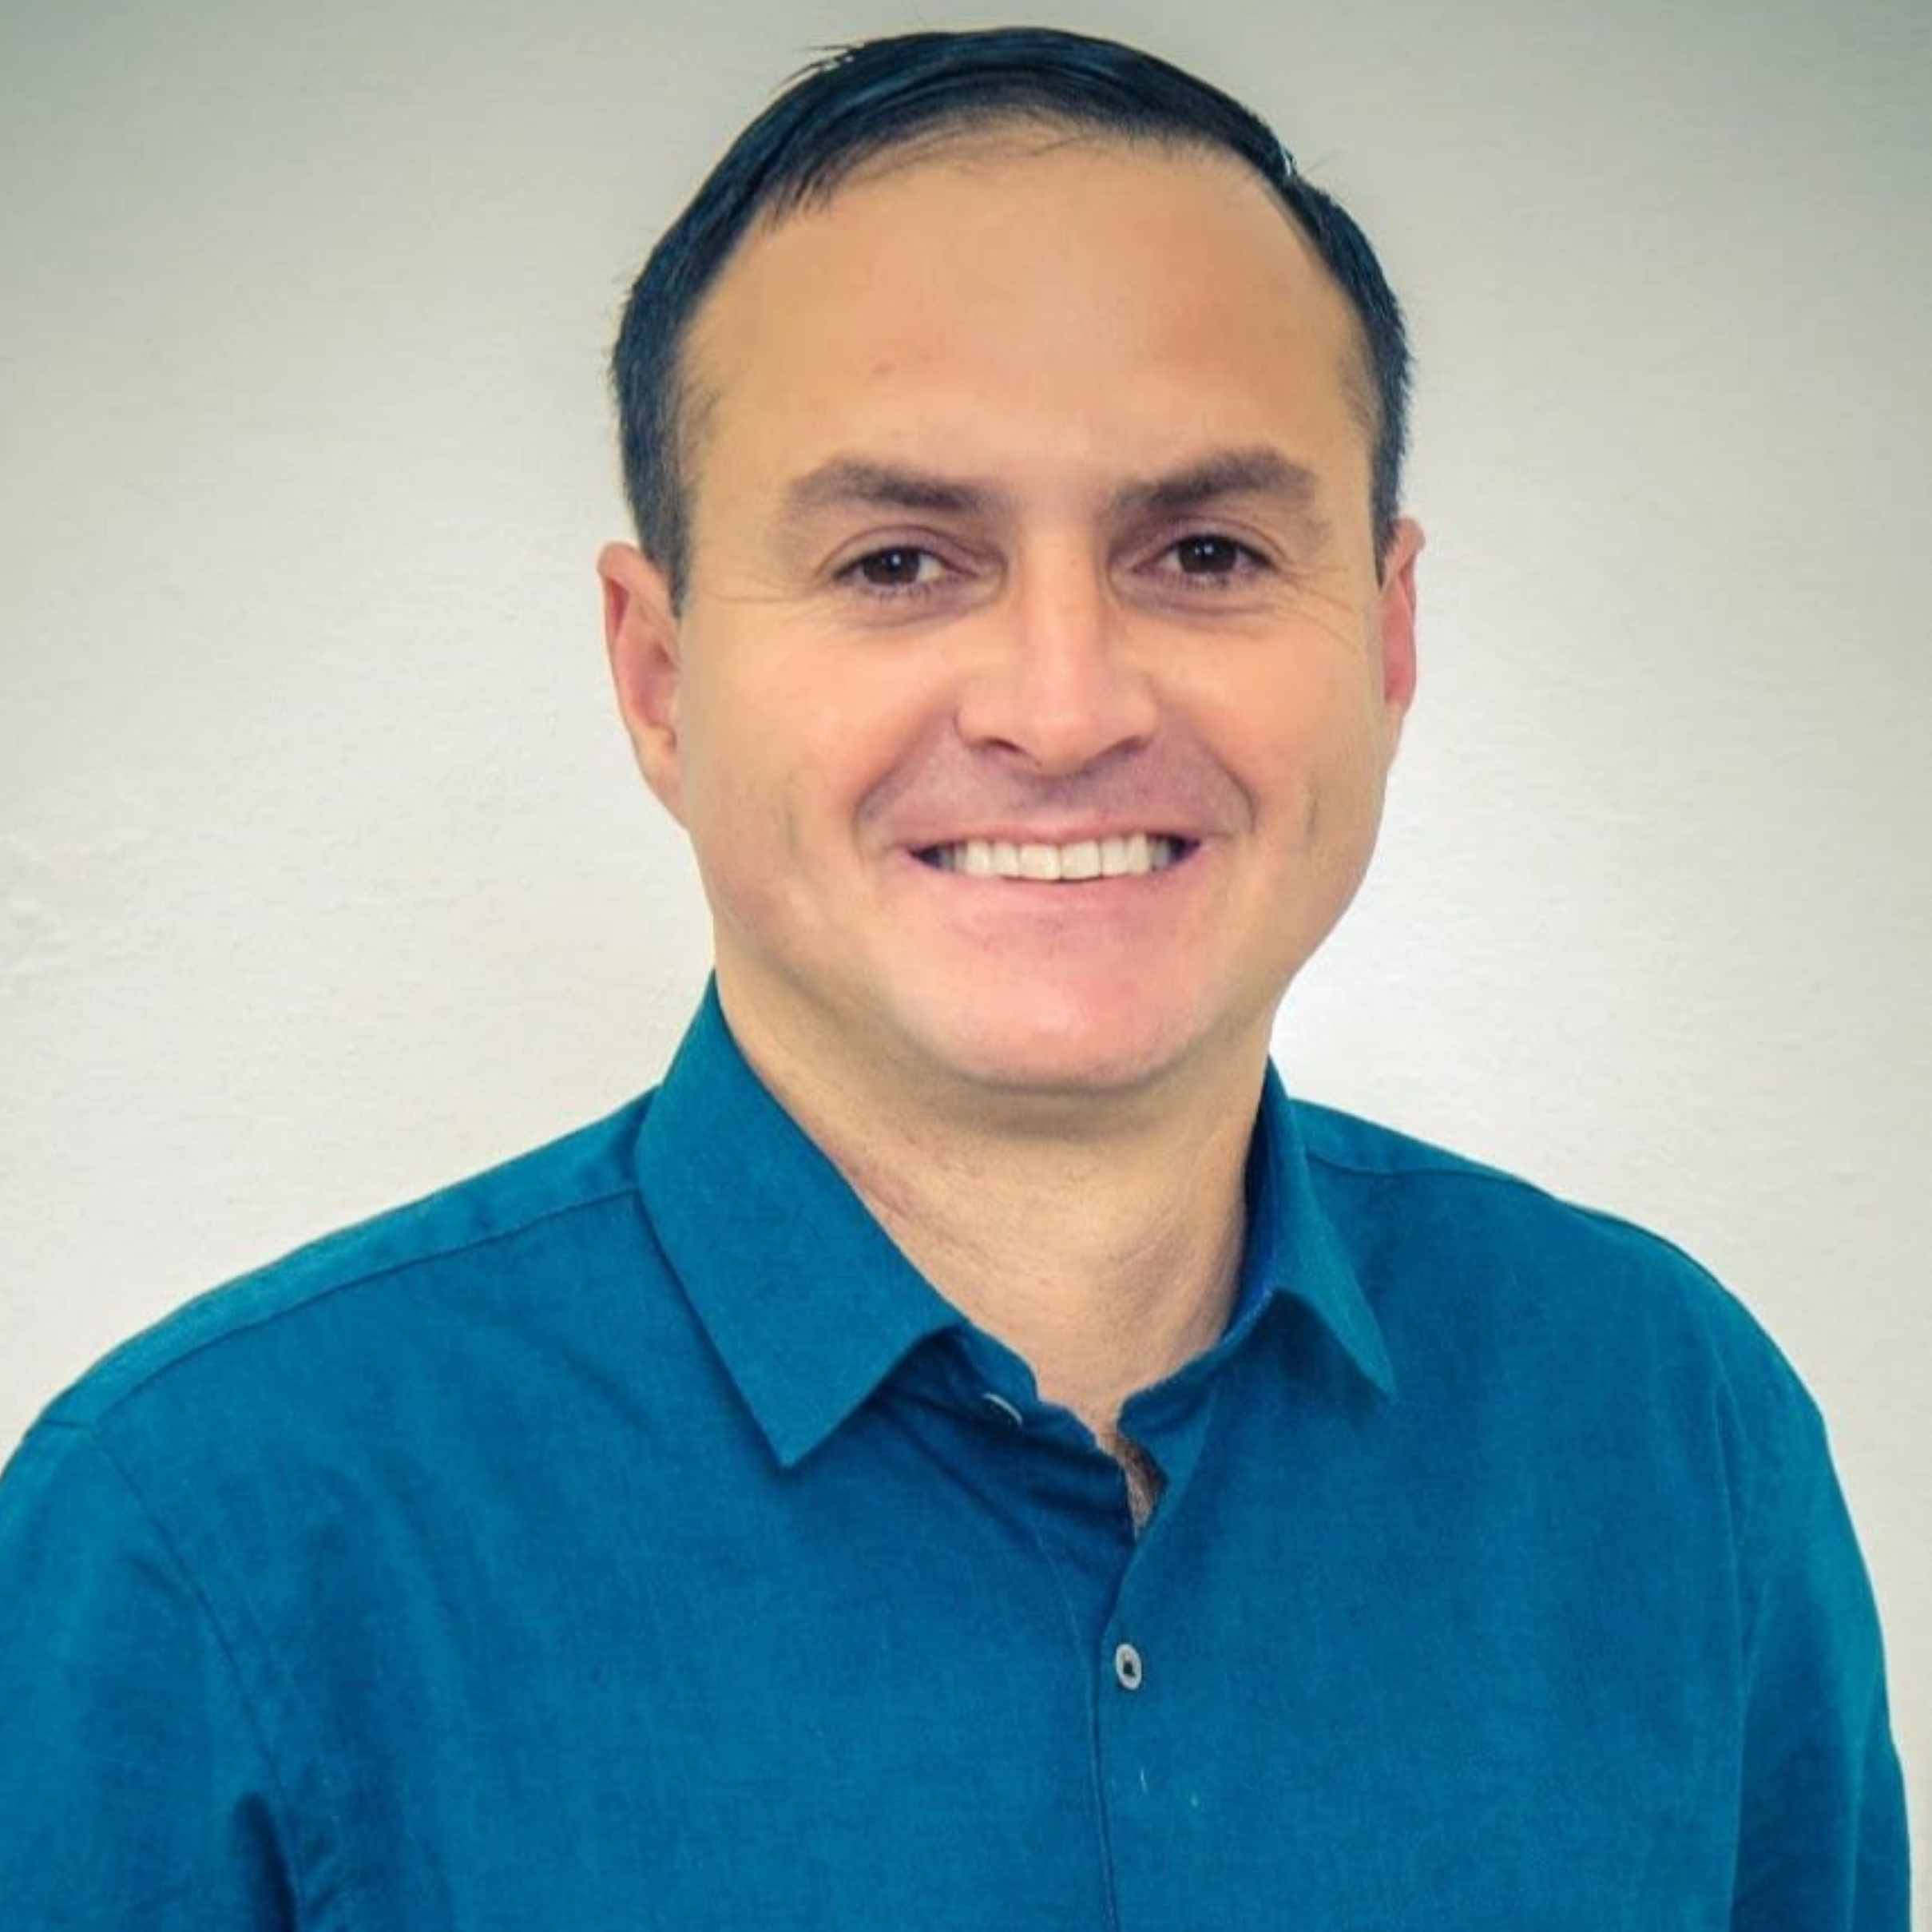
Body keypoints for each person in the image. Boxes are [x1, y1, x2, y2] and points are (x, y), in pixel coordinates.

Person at [0, 25, 1906, 1928]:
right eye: (900, 563)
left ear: (1388, 646)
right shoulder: (200, 1543)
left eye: (1207, 551)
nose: (1063, 710)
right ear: (659, 677)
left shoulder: (1678, 1436)